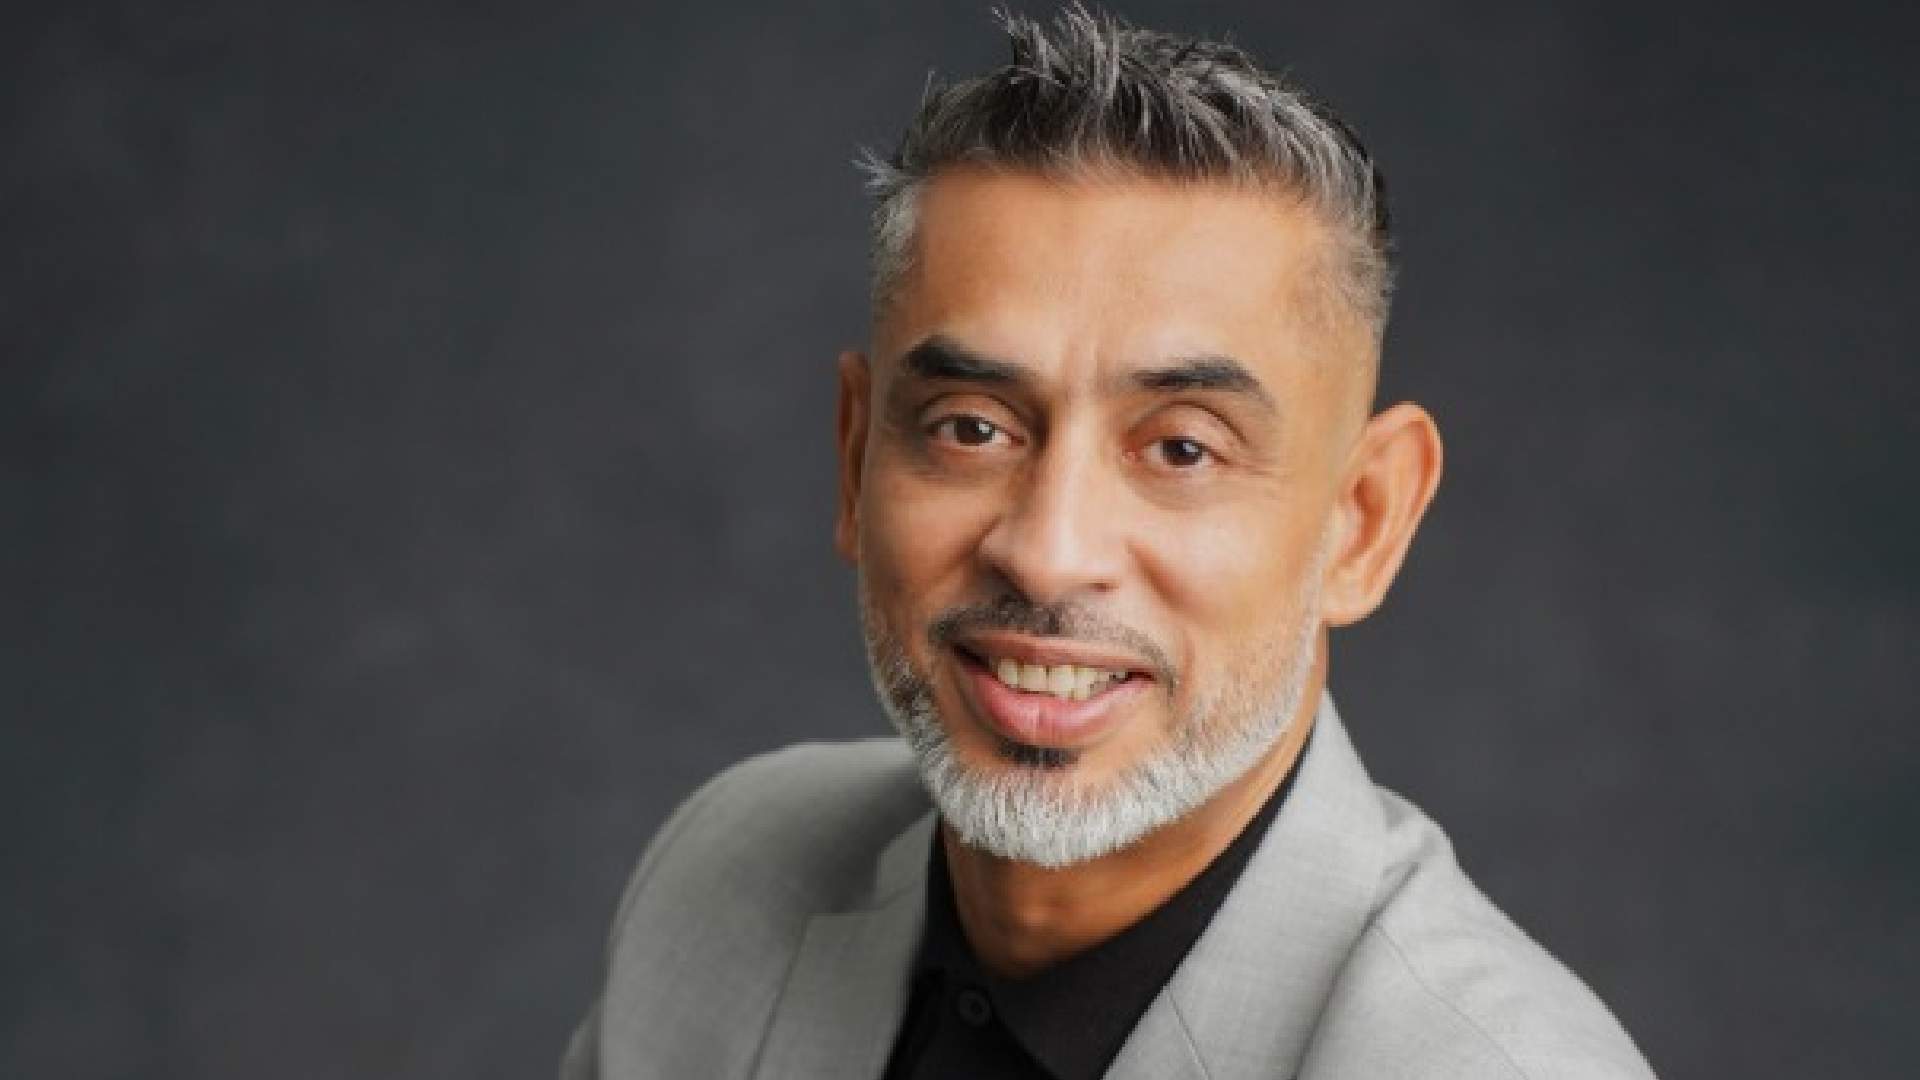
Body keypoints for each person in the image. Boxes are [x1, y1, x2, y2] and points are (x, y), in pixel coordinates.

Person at [562, 7, 1656, 1078]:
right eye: (972, 428)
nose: (1046, 550)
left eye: (1181, 450)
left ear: (1362, 525)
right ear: (856, 460)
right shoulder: (724, 873)